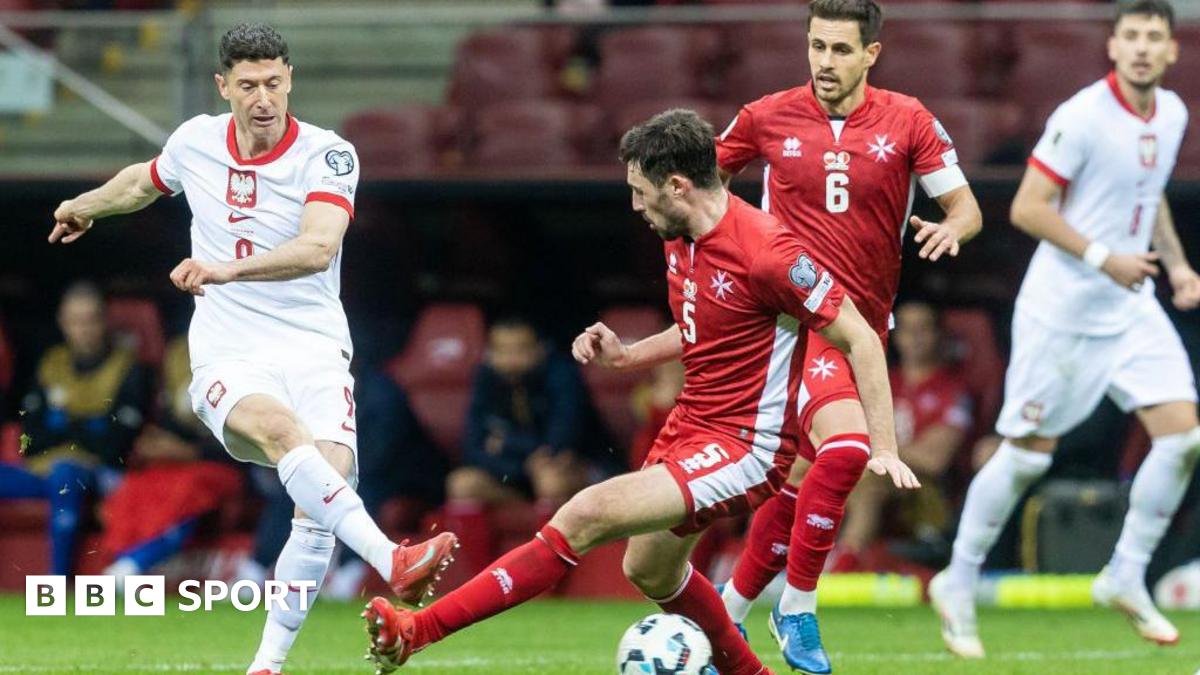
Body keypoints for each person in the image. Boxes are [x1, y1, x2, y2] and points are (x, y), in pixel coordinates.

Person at [359, 109, 917, 675]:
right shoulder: (680, 233)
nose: (634, 206)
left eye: (639, 191)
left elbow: (860, 337)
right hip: (690, 428)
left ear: (676, 185)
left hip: (747, 447)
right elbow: (706, 323)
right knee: (648, 572)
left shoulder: (771, 253)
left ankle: (416, 631)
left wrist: (885, 445)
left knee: (586, 512)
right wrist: (628, 354)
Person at [46, 23, 457, 675]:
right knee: (280, 431)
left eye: (272, 82)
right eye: (247, 86)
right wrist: (84, 205)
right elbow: (142, 181)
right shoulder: (196, 142)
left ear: (289, 78)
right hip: (230, 351)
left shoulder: (329, 155)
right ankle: (391, 558)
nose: (262, 98)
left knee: (322, 493)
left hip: (315, 347)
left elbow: (320, 246)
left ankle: (266, 664)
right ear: (223, 87)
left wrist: (223, 269)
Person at [713, 0, 982, 669]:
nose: (824, 62)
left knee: (802, 477)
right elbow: (701, 193)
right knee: (848, 451)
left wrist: (952, 228)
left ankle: (725, 612)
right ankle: (797, 607)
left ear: (871, 54)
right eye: (816, 46)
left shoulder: (908, 118)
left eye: (839, 49)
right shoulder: (765, 115)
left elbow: (966, 205)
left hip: (863, 326)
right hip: (789, 325)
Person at [930, 0, 1200, 658]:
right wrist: (1104, 256)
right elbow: (1027, 207)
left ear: (1170, 51)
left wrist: (1180, 264)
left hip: (1129, 306)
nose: (1140, 48)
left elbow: (1149, 187)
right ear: (1112, 47)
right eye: (1130, 36)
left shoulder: (1171, 113)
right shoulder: (1081, 116)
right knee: (1026, 455)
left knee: (1184, 438)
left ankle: (1124, 573)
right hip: (1065, 309)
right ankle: (957, 577)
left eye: (1152, 38)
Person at [0, 281, 150, 576]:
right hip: (43, 471)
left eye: (90, 319)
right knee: (59, 471)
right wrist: (87, 426)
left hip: (99, 475)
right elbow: (30, 440)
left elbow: (115, 445)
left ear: (104, 321)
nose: (83, 329)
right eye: (75, 321)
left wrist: (61, 424)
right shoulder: (51, 363)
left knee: (66, 473)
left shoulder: (127, 368)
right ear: (62, 322)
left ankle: (57, 584)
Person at [836, 300, 971, 569]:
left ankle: (842, 566)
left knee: (869, 484)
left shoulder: (951, 389)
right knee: (803, 469)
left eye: (924, 329)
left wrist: (877, 444)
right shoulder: (882, 380)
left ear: (939, 335)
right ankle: (781, 558)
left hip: (925, 493)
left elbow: (934, 460)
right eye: (907, 329)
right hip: (867, 474)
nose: (915, 338)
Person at [100, 335, 244, 587]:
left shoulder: (241, 366)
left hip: (225, 463)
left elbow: (249, 441)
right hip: (179, 462)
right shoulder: (178, 364)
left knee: (187, 490)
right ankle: (123, 561)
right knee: (135, 485)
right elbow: (167, 423)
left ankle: (134, 565)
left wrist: (191, 453)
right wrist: (156, 442)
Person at [448, 315, 602, 510]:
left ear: (540, 349)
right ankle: (525, 520)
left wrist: (504, 443)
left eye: (520, 349)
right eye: (502, 350)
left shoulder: (562, 374)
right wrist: (521, 464)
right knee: (462, 484)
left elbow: (559, 443)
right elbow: (471, 447)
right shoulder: (485, 378)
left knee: (550, 481)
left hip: (571, 468)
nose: (511, 359)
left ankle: (551, 537)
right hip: (512, 470)